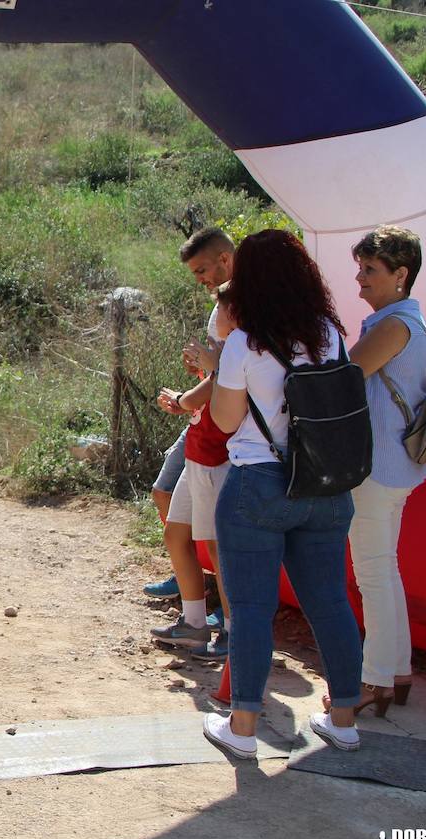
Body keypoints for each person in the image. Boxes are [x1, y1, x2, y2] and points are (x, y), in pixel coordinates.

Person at [189, 229, 365, 758]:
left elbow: (224, 419)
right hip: (324, 483)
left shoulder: (245, 342)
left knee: (249, 607)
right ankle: (346, 721)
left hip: (258, 482)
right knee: (331, 601)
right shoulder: (329, 333)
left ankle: (242, 728)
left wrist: (215, 373)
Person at [345, 226, 426, 714]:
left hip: (377, 469)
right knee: (384, 570)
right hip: (393, 467)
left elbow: (344, 379)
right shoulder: (405, 321)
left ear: (401, 275)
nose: (359, 279)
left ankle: (376, 679)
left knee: (374, 575)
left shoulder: (393, 325)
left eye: (370, 270)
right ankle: (395, 673)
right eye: (360, 268)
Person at [142, 228, 234, 604]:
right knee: (164, 492)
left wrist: (184, 400)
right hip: (203, 415)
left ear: (225, 259)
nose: (198, 279)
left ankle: (215, 601)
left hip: (218, 423)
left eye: (201, 270)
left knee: (215, 536)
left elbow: (229, 372)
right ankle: (194, 582)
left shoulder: (242, 301)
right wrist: (200, 369)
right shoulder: (222, 298)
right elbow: (219, 367)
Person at [152, 283, 237, 661]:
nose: (214, 314)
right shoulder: (225, 349)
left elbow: (223, 387)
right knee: (176, 532)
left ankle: (234, 632)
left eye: (220, 307)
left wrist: (182, 400)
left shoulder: (246, 348)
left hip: (217, 457)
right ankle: (194, 624)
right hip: (199, 452)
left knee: (220, 550)